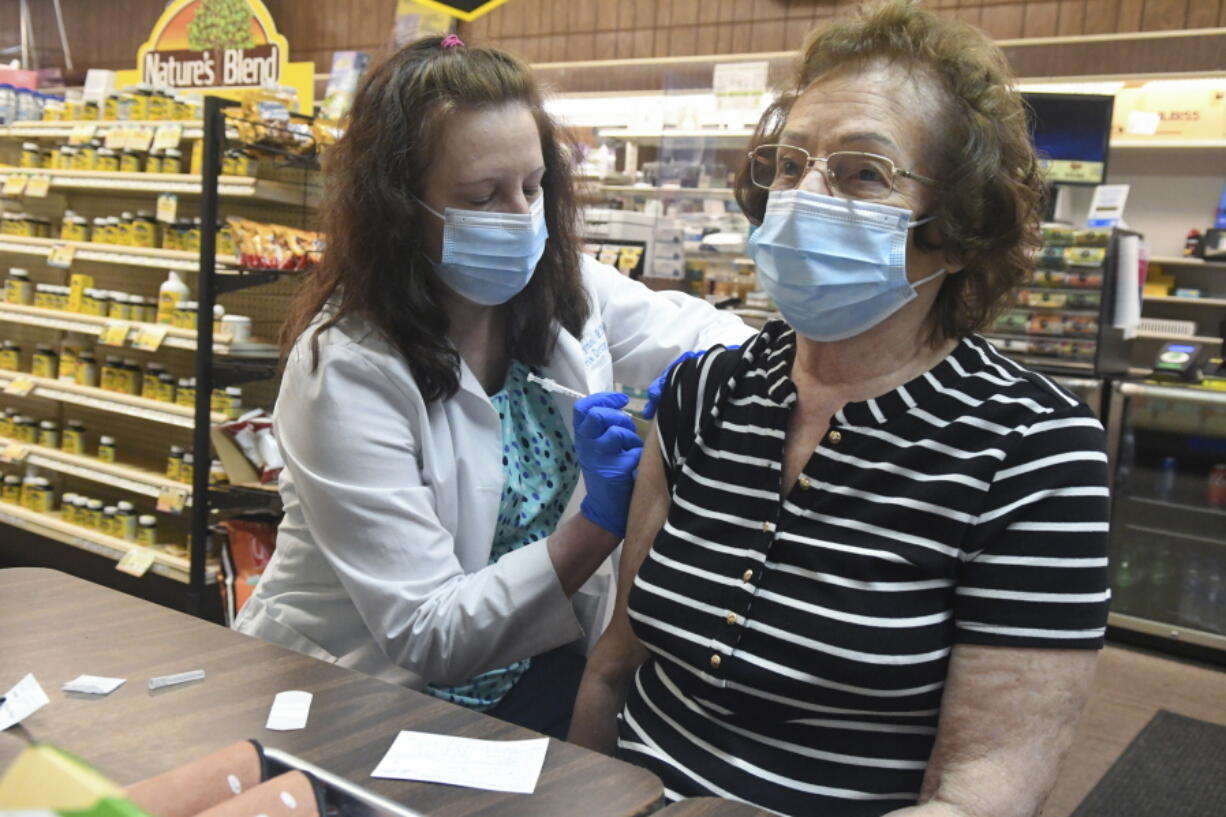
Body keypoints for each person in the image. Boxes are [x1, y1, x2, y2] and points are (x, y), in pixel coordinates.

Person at [569, 2, 1111, 814]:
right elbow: (616, 664)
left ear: (959, 231)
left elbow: (986, 787)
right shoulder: (704, 395)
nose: (802, 195)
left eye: (864, 172)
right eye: (788, 165)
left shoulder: (1030, 451)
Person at [234, 35, 753, 739]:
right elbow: (429, 633)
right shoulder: (348, 367)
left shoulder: (565, 293)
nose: (519, 217)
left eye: (533, 188)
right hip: (364, 692)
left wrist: (712, 379)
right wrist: (596, 525)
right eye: (483, 196)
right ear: (399, 208)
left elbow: (706, 335)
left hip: (533, 668)